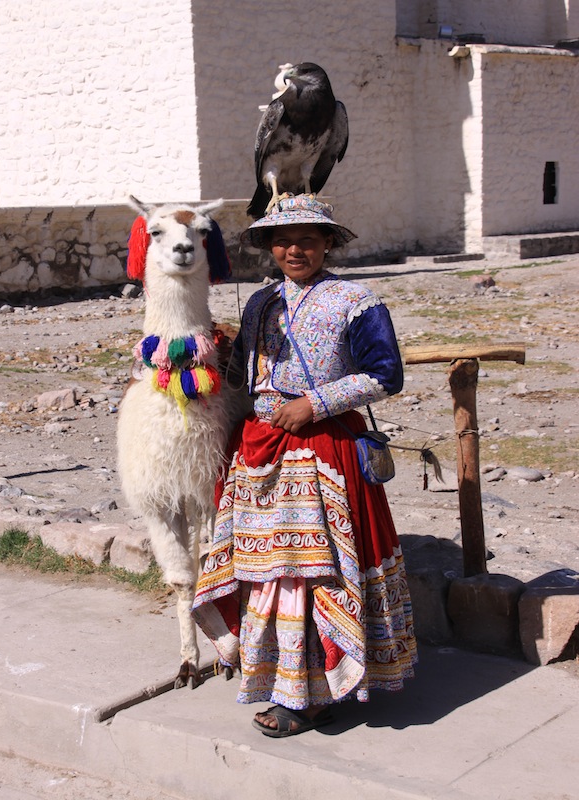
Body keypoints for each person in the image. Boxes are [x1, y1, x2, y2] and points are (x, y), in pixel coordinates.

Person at [192, 194, 417, 738]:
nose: (296, 249)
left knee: (315, 573)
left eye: (309, 240)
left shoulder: (355, 300)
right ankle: (280, 679)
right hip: (262, 453)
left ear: (328, 243)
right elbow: (244, 375)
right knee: (270, 572)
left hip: (323, 453)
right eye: (284, 240)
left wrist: (313, 404)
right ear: (270, 247)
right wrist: (190, 355)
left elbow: (386, 374)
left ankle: (313, 695)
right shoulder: (261, 303)